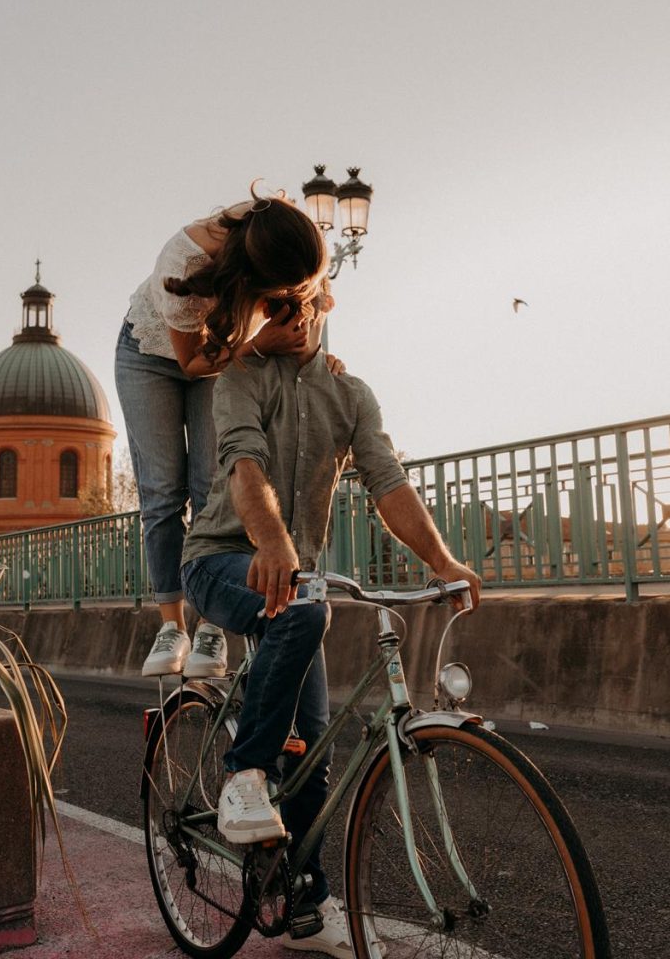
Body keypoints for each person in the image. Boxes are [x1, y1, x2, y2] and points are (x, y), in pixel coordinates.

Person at [180, 281, 481, 957]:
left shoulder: (350, 393)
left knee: (314, 754)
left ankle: (302, 892)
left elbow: (386, 480)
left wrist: (441, 560)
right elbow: (243, 462)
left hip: (297, 580)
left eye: (299, 304)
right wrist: (270, 540)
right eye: (273, 305)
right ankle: (243, 775)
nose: (287, 318)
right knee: (302, 619)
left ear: (322, 306)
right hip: (222, 561)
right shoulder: (239, 377)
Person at [115, 187, 333, 680]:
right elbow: (192, 361)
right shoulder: (186, 261)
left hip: (225, 352)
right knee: (162, 493)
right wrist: (258, 342)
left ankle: (211, 625)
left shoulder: (292, 241)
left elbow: (308, 318)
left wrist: (315, 353)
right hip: (152, 356)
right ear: (256, 276)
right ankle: (172, 625)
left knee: (213, 487)